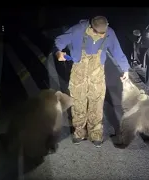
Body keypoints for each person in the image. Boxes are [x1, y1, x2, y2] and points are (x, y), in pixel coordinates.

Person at [54, 16, 130, 147]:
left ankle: (95, 135)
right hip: (78, 74)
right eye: (99, 33)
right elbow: (59, 41)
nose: (102, 35)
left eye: (104, 32)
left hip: (97, 75)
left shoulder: (109, 32)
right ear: (92, 28)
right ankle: (79, 133)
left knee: (97, 103)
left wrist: (125, 69)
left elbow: (117, 50)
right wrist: (58, 52)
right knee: (78, 103)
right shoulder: (78, 30)